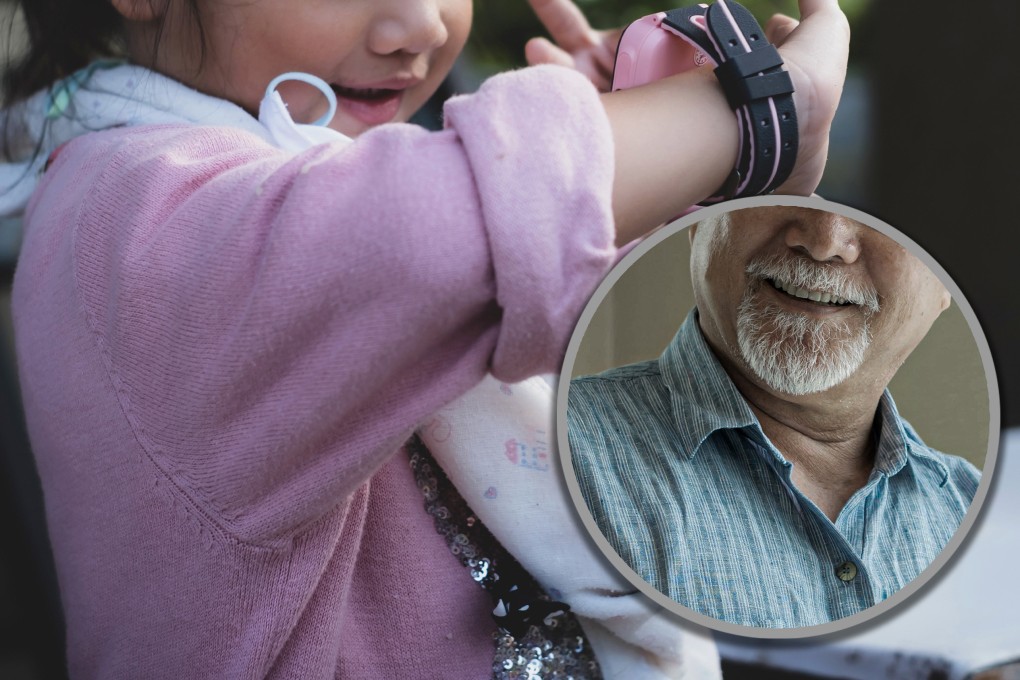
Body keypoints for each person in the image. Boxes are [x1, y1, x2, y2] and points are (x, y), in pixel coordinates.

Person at [0, 0, 849, 675]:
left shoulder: (296, 169)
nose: (422, 25)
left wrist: (642, 170)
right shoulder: (141, 221)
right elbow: (425, 243)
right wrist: (741, 114)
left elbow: (623, 364)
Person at [567, 205, 982, 630]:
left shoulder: (982, 517)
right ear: (696, 220)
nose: (824, 242)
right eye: (788, 188)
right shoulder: (542, 453)